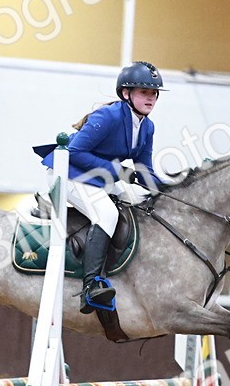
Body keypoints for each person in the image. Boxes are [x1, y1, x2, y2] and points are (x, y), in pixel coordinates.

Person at [33, 61, 164, 313]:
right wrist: (120, 172)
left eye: (154, 93)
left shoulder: (147, 127)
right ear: (126, 94)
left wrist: (174, 186)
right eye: (144, 92)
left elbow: (144, 171)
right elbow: (74, 152)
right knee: (107, 213)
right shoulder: (109, 116)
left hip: (97, 178)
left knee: (136, 205)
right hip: (67, 173)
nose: (151, 99)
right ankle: (91, 285)